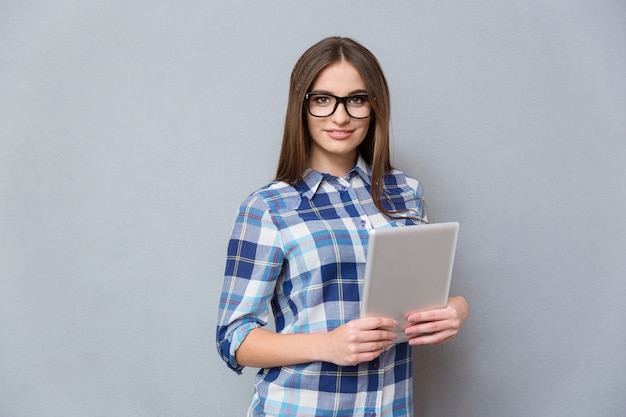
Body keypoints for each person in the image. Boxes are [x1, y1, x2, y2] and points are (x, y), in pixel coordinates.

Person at [216, 36, 469, 417]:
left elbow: (421, 300)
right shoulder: (268, 208)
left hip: (390, 406)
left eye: (356, 99)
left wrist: (457, 308)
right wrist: (326, 345)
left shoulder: (406, 193)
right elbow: (234, 338)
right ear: (301, 108)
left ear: (374, 107)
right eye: (322, 100)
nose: (340, 117)